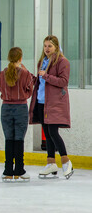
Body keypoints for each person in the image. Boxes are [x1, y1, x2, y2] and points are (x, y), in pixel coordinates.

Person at [29, 35, 73, 179]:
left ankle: (66, 162)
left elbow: (63, 81)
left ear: (56, 47)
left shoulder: (62, 61)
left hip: (54, 103)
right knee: (47, 134)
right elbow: (41, 82)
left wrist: (46, 76)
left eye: (50, 46)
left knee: (53, 132)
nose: (47, 49)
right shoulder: (42, 61)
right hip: (42, 102)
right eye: (45, 46)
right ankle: (51, 163)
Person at [0, 47, 34, 182]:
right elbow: (30, 88)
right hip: (20, 108)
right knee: (19, 139)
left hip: (6, 108)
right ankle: (19, 169)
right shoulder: (25, 73)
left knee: (9, 139)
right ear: (20, 58)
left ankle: (8, 171)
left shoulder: (3, 74)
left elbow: (1, 90)